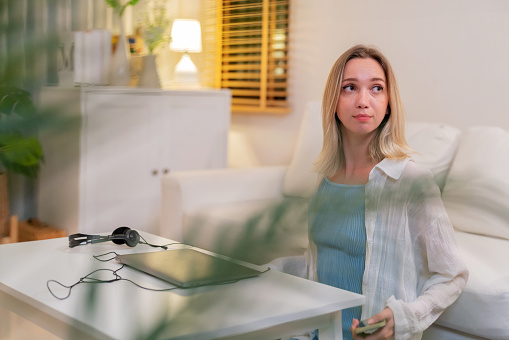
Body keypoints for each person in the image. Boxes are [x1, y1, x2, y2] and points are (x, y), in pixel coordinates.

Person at [275, 44, 469, 340]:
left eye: (376, 88)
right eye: (350, 88)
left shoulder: (410, 181)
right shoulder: (324, 178)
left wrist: (404, 318)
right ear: (334, 102)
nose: (363, 101)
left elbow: (453, 275)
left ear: (389, 102)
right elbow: (324, 261)